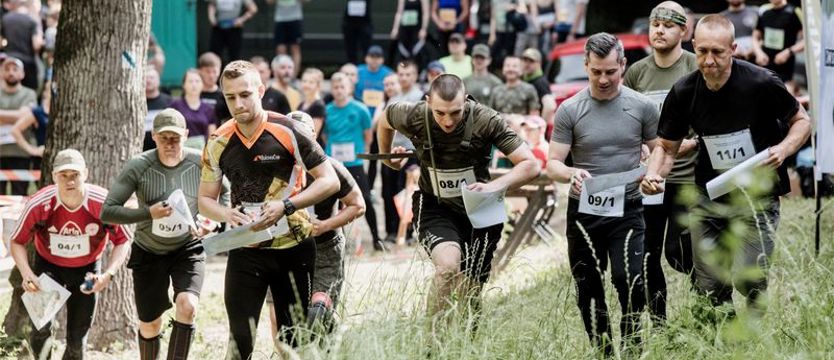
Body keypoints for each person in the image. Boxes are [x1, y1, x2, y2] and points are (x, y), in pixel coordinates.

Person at [641, 15, 811, 314]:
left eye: (718, 52)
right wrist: (654, 175)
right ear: (693, 45)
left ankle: (755, 317)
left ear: (733, 49)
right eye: (702, 51)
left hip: (757, 193)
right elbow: (667, 148)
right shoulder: (684, 91)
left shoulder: (760, 82)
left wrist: (784, 149)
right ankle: (725, 328)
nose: (709, 60)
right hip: (710, 194)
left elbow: (801, 121)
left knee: (749, 277)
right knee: (709, 285)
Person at [197, 60, 339, 358]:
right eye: (230, 97)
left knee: (293, 341)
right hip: (246, 248)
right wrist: (226, 214)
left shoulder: (288, 130)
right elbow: (205, 201)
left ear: (261, 91)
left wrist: (286, 205)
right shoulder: (218, 141)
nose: (238, 104)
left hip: (294, 248)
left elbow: (329, 181)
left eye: (245, 94)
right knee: (240, 341)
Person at [377, 74, 538, 318]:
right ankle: (433, 338)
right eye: (440, 113)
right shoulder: (414, 114)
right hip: (435, 205)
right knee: (447, 268)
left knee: (469, 291)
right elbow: (385, 118)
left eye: (455, 112)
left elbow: (530, 165)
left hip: (480, 208)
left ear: (466, 101)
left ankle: (464, 336)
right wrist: (388, 157)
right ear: (428, 102)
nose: (448, 121)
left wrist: (495, 186)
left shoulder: (486, 119)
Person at [546, 32, 658, 354]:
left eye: (611, 71)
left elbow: (660, 151)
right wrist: (571, 173)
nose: (604, 79)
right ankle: (604, 351)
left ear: (623, 64)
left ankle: (632, 346)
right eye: (596, 71)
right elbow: (553, 163)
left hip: (628, 207)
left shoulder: (642, 106)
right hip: (585, 210)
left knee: (630, 280)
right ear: (586, 65)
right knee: (588, 289)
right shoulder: (570, 109)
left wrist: (652, 172)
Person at [102, 109, 213, 360]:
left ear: (186, 135)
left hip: (188, 247)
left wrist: (212, 221)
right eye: (164, 138)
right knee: (151, 324)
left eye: (175, 138)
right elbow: (107, 211)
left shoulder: (200, 162)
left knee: (188, 306)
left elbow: (225, 192)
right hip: (149, 250)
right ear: (153, 136)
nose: (170, 143)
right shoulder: (139, 165)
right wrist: (148, 213)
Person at [11, 149, 131, 360]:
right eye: (63, 175)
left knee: (77, 341)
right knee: (40, 330)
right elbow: (16, 241)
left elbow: (123, 239)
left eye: (75, 174)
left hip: (87, 270)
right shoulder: (40, 203)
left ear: (85, 174)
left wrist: (108, 274)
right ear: (54, 176)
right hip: (48, 266)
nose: (70, 181)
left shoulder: (103, 202)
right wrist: (26, 273)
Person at [622, 1, 698, 322]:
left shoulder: (695, 66)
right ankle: (660, 324)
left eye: (668, 25)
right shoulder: (637, 72)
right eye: (655, 24)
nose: (660, 31)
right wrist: (638, 147)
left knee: (680, 253)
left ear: (684, 31)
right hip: (651, 179)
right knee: (648, 255)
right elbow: (625, 119)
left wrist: (688, 144)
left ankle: (706, 302)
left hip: (688, 177)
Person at [325, 72, 384, 250]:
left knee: (365, 199)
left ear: (350, 88)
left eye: (342, 87)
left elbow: (368, 135)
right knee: (335, 203)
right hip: (334, 164)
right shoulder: (327, 110)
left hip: (355, 163)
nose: (339, 90)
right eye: (336, 87)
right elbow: (324, 135)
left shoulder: (360, 109)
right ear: (332, 90)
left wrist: (361, 151)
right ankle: (339, 241)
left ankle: (376, 238)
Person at [0, 56, 38, 196]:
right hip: (1, 152)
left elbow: (27, 116)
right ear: (2, 73)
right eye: (7, 69)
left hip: (21, 152)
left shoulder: (29, 94)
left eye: (15, 69)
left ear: (22, 74)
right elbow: (21, 117)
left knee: (20, 195)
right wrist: (18, 117)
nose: (11, 72)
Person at [752, 0, 804, 92]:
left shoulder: (794, 11)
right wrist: (758, 53)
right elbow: (755, 37)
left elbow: (807, 41)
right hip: (765, 65)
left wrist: (788, 52)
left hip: (786, 69)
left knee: (785, 93)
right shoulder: (764, 10)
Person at [170, 69, 219, 149]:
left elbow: (212, 137)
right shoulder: (175, 106)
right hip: (180, 150)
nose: (194, 84)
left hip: (202, 151)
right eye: (190, 81)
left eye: (197, 81)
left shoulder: (209, 109)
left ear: (202, 84)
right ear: (184, 85)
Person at [0, 0, 42, 91]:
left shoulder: (6, 19)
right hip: (28, 63)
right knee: (30, 91)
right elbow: (36, 45)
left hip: (9, 61)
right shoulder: (31, 20)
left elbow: (1, 42)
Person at [267, 0, 305, 73]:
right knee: (280, 49)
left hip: (295, 18)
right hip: (280, 19)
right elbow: (269, 2)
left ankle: (293, 76)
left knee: (295, 48)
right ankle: (282, 74)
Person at [143, 66, 173, 151]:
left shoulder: (169, 102)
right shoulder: (136, 103)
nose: (148, 80)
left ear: (159, 81)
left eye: (151, 77)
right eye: (146, 78)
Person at [197, 52, 232, 125]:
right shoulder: (193, 94)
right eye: (207, 71)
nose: (211, 75)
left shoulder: (224, 95)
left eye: (214, 71)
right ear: (200, 71)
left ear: (219, 71)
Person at [299, 67, 327, 143]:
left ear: (318, 85)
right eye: (304, 81)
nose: (306, 85)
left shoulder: (318, 106)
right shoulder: (302, 104)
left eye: (311, 82)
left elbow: (313, 134)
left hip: (312, 148)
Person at [343, 0, 374, 64]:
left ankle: (366, 66)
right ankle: (351, 65)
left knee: (366, 47)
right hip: (349, 22)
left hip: (365, 22)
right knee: (350, 48)